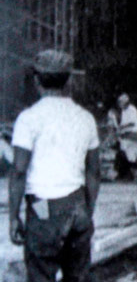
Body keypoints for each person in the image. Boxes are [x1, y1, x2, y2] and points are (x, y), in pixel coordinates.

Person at [8, 50, 100, 282]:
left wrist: (14, 216)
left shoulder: (28, 119)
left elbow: (19, 171)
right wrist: (87, 211)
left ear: (37, 81)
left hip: (42, 208)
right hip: (77, 205)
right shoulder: (85, 118)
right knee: (78, 276)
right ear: (68, 81)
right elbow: (94, 172)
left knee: (40, 275)